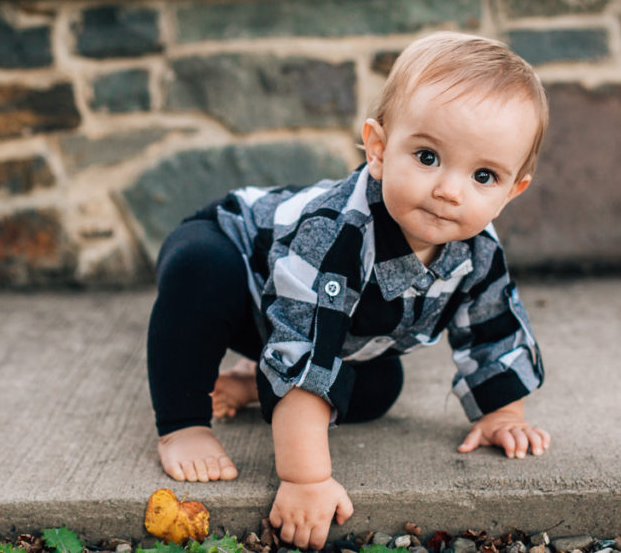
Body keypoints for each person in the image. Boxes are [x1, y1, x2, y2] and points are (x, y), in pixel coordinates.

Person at [147, 31, 551, 551]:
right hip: (241, 264)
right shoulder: (336, 233)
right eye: (427, 157)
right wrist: (306, 479)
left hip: (319, 323)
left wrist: (502, 413)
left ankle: (252, 384)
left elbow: (492, 323)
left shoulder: (477, 249)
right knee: (198, 270)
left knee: (380, 387)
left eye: (482, 175)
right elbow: (306, 345)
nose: (450, 190)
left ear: (513, 189)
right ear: (379, 149)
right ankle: (182, 424)